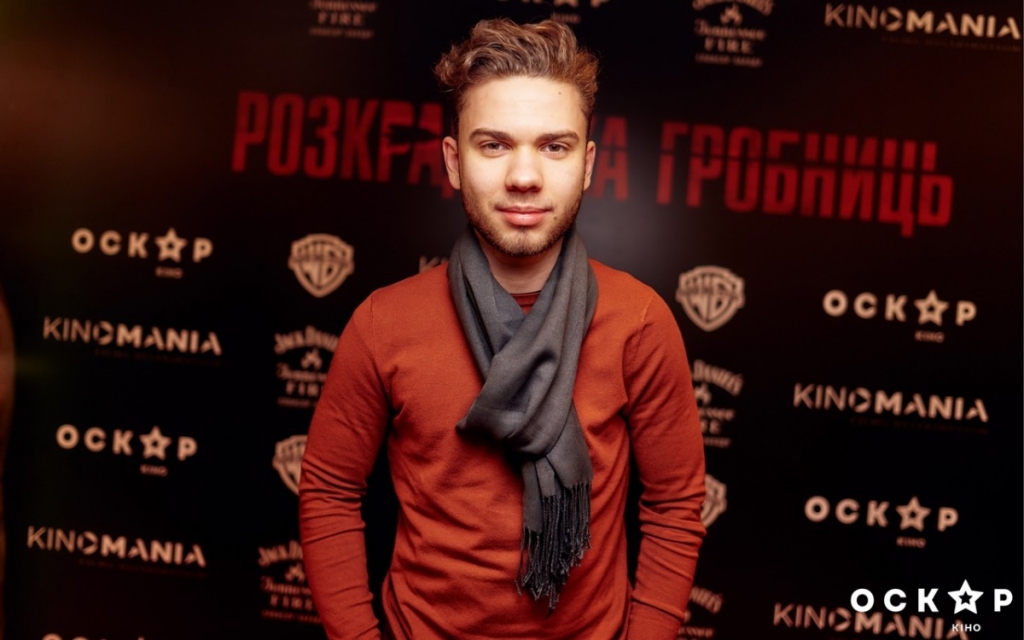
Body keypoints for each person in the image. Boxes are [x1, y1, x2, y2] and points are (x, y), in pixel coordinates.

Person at [299, 17, 705, 640]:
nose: (524, 175)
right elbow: (329, 491)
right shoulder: (384, 323)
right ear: (453, 162)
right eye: (494, 145)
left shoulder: (640, 322)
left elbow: (675, 505)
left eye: (554, 146)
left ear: (588, 165)